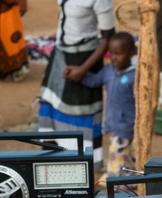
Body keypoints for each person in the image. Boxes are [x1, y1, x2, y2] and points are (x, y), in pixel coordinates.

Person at [38, 0, 115, 170]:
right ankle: (52, 166)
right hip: (60, 56)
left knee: (80, 117)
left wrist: (83, 70)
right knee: (48, 108)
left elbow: (108, 37)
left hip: (84, 60)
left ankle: (79, 171)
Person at [80, 33, 136, 179]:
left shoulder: (135, 75)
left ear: (131, 54)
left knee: (117, 152)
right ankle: (130, 179)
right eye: (111, 53)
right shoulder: (108, 70)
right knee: (125, 154)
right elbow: (94, 81)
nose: (114, 57)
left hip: (126, 125)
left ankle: (113, 179)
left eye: (118, 54)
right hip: (112, 123)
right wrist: (79, 74)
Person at [0, 0, 29, 81]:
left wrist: (22, 5)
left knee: (9, 41)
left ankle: (13, 69)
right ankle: (1, 67)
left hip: (7, 12)